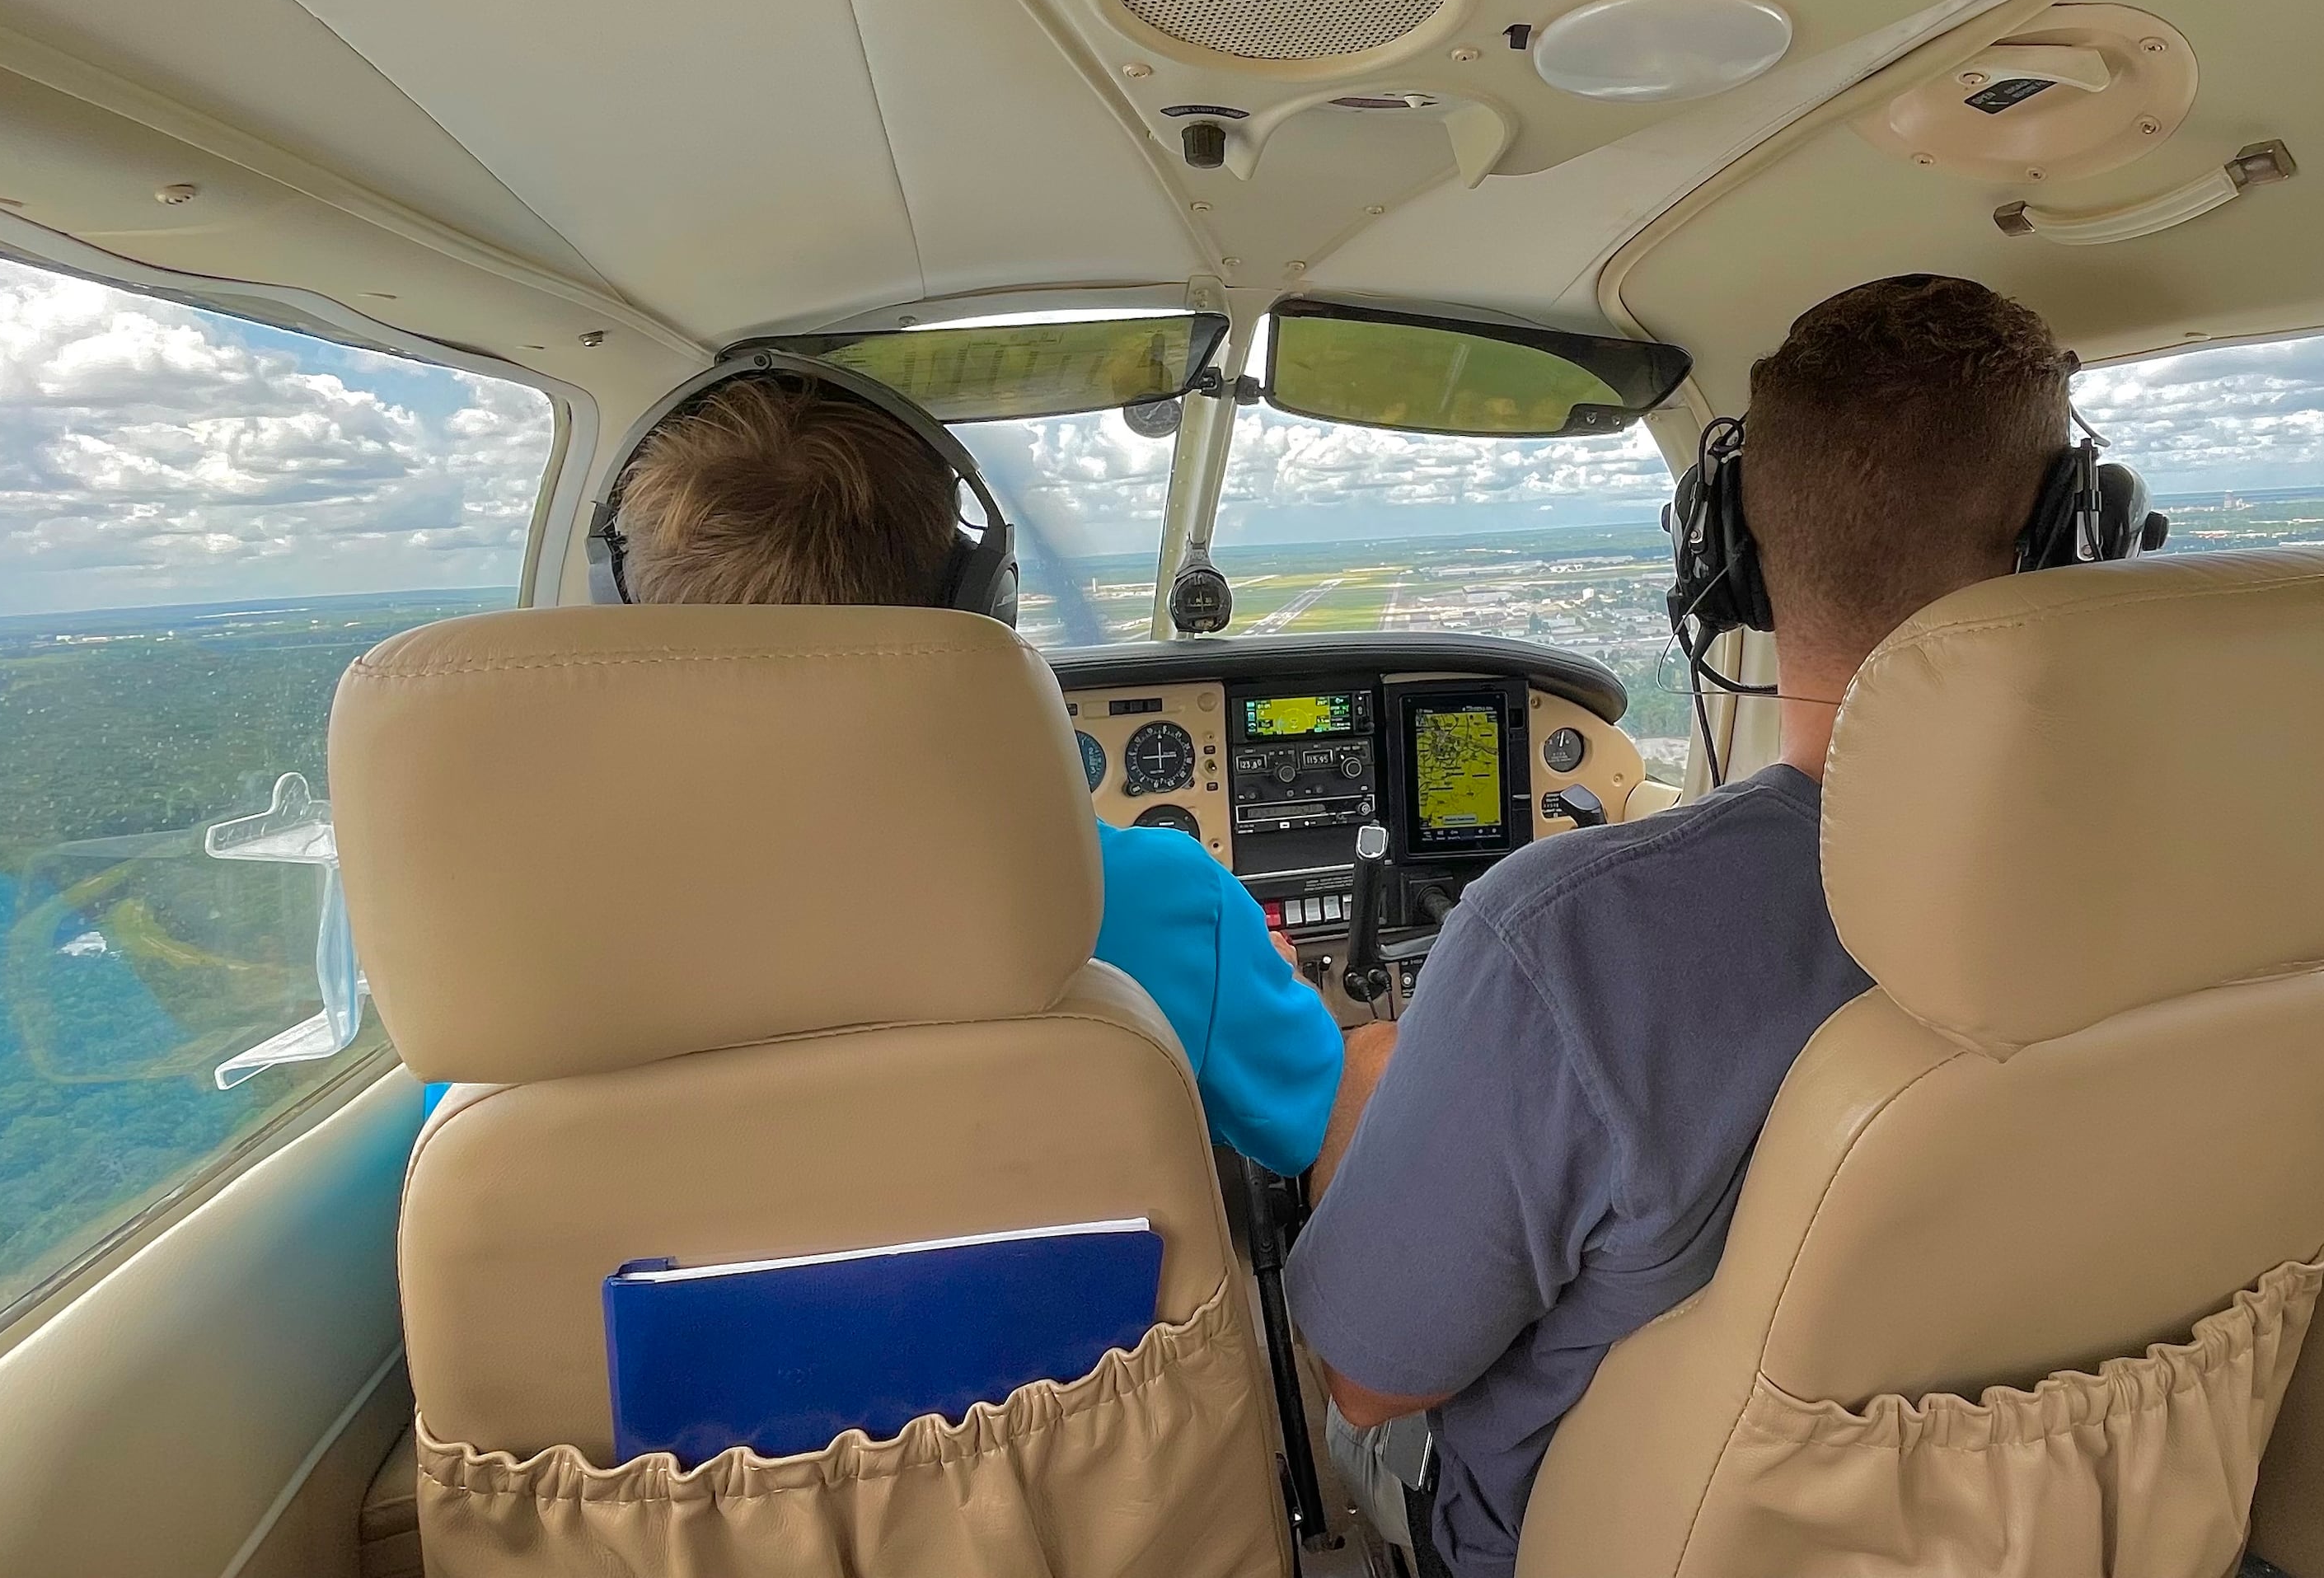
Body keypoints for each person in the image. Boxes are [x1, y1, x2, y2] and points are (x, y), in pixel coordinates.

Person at [1282, 274, 2078, 1576]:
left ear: (1728, 563)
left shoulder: (1562, 939)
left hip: (1585, 1540)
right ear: (2071, 540)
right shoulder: (2195, 899)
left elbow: (1371, 1385)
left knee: (1365, 1071)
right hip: (2009, 1519)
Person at [601, 372, 1351, 1177]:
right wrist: (1280, 984)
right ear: (981, 608)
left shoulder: (529, 964)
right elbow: (1320, 1132)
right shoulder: (1152, 898)